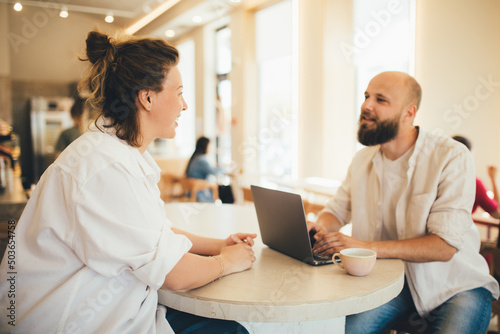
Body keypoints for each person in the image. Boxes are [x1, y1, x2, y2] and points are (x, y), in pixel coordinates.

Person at [0, 30, 256, 334]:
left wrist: (220, 245)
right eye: (179, 92)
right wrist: (229, 261)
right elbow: (175, 274)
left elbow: (154, 233)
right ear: (147, 98)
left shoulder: (120, 154)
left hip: (118, 312)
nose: (184, 105)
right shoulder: (104, 167)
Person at [309, 71, 499, 334]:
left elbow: (444, 248)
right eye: (366, 97)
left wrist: (363, 246)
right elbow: (336, 210)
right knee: (341, 330)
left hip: (456, 284)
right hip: (391, 284)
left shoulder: (451, 156)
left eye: (380, 99)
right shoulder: (362, 160)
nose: (366, 105)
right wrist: (318, 226)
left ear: (409, 113)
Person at [452, 135, 500, 219]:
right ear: (468, 156)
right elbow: (497, 213)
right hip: (459, 230)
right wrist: (493, 179)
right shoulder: (473, 183)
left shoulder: (435, 176)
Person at [185, 136, 224, 202]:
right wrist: (225, 169)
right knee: (225, 190)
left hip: (192, 191)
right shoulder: (201, 159)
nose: (210, 148)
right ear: (205, 146)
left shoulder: (195, 157)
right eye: (209, 146)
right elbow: (213, 171)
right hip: (200, 193)